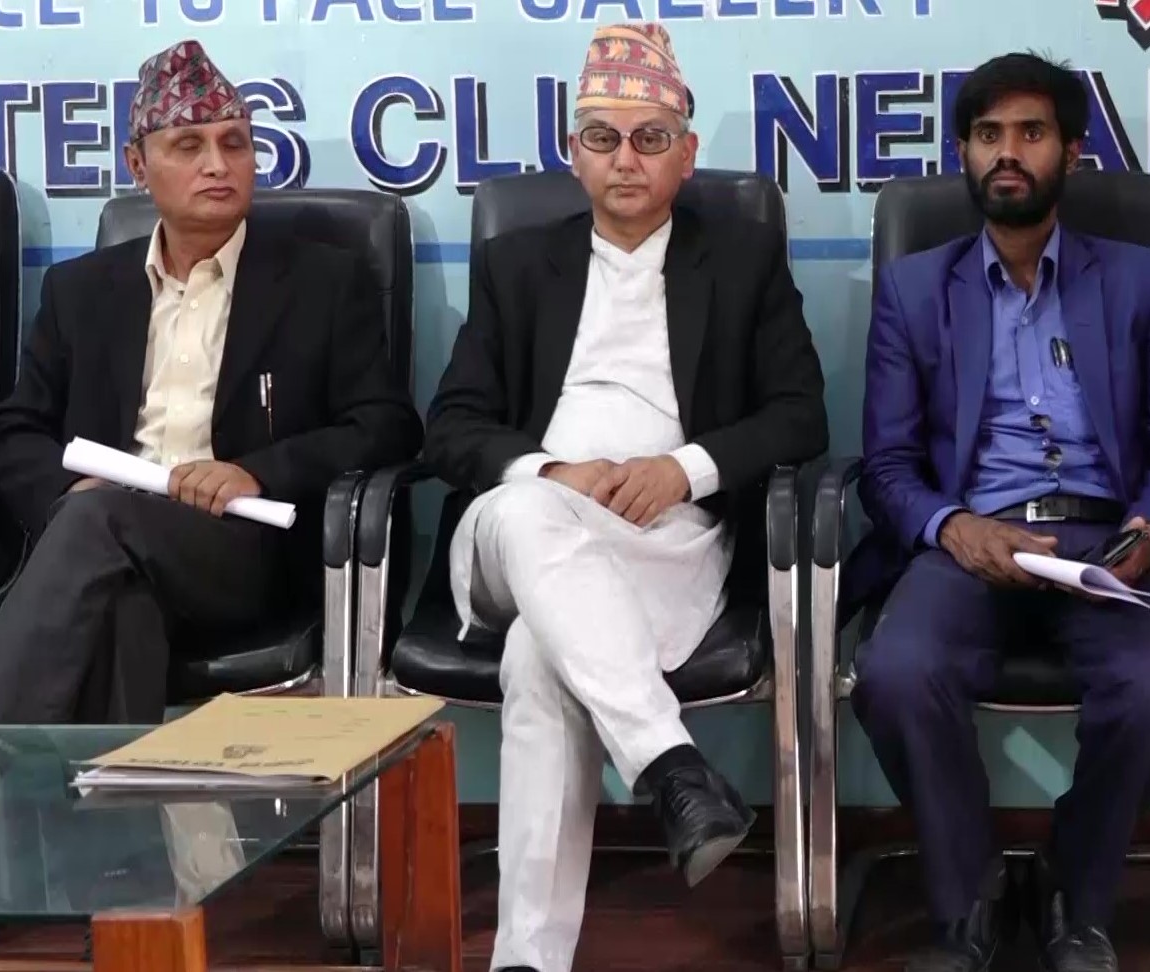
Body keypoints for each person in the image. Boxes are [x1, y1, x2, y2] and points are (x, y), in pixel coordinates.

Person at [420, 22, 827, 972]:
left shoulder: (741, 261)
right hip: (512, 533)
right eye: (603, 138)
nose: (625, 159)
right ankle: (670, 764)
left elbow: (800, 415)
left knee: (539, 655)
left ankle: (527, 961)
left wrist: (684, 469)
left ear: (687, 153)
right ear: (575, 152)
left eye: (650, 138)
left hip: (663, 540)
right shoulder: (519, 264)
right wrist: (547, 471)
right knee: (529, 514)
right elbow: (450, 427)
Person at [848, 52, 1150, 972]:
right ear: (964, 154)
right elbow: (886, 465)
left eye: (1031, 132)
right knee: (896, 675)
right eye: (987, 134)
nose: (1007, 152)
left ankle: (1073, 892)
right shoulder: (915, 289)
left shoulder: (1143, 281)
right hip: (967, 541)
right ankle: (968, 900)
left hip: (1107, 538)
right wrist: (953, 527)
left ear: (1071, 152)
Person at [0, 40, 422, 726]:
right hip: (102, 542)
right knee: (121, 604)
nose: (218, 164)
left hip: (240, 548)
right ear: (137, 165)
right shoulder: (81, 291)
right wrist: (68, 492)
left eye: (235, 143)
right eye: (189, 146)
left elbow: (386, 425)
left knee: (98, 527)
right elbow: (14, 430)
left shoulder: (323, 282)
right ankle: (115, 800)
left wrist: (255, 472)